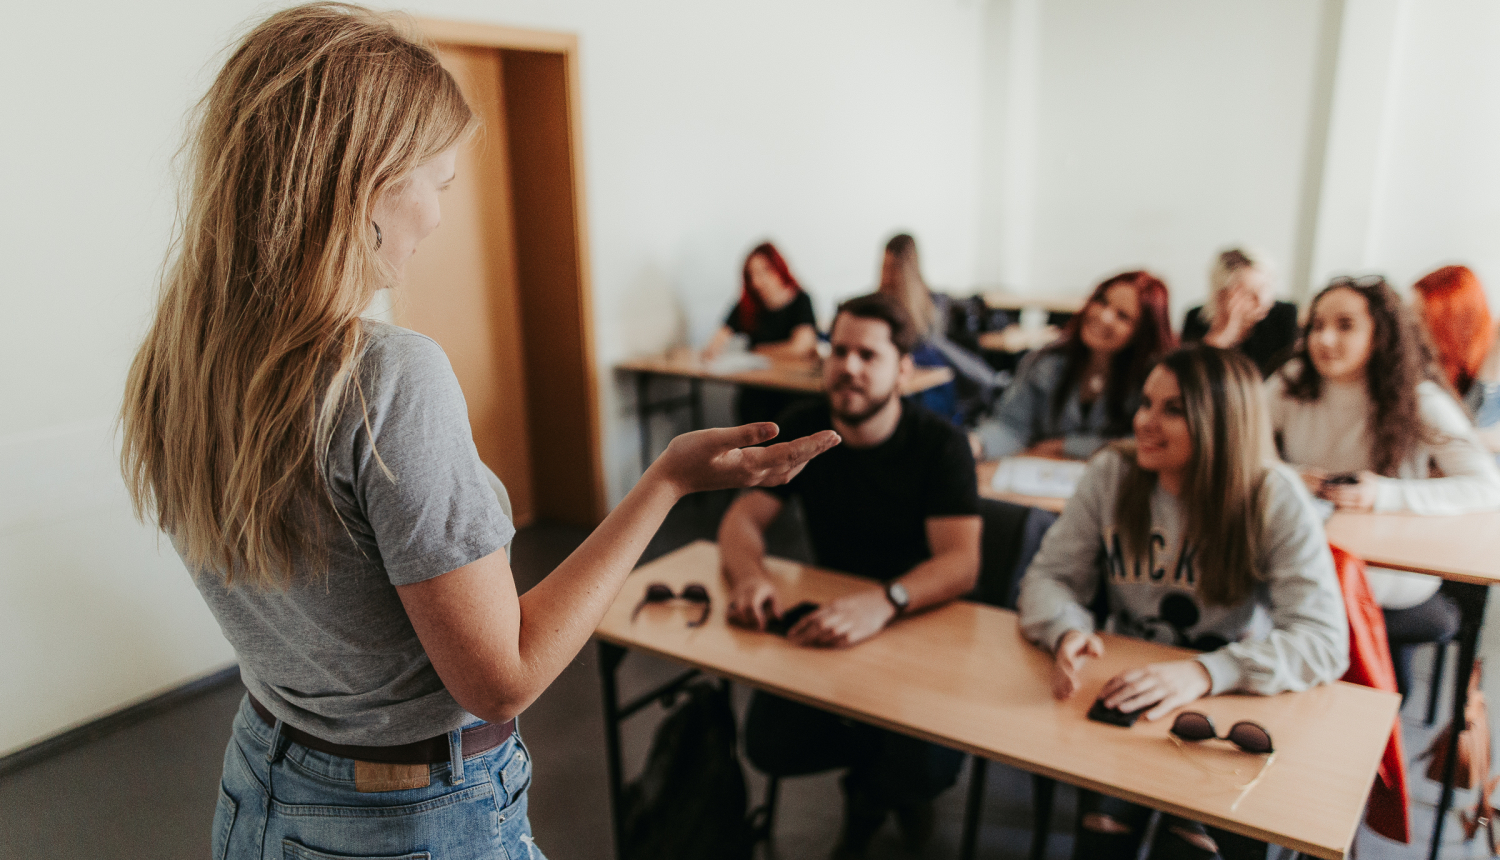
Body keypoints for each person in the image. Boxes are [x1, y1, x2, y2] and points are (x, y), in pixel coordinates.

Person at [117, 7, 838, 859]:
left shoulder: (177, 363)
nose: (438, 215)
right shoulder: (386, 377)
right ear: (369, 181)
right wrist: (666, 483)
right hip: (405, 823)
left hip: (262, 786)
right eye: (439, 182)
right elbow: (503, 679)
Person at [1018, 344, 1348, 860]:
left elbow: (1324, 641)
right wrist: (1066, 628)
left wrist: (1205, 672)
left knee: (1195, 844)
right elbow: (1047, 578)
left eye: (1173, 409)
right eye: (1146, 403)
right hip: (1126, 691)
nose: (1145, 422)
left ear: (1223, 423)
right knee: (1103, 832)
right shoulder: (1113, 473)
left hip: (1228, 698)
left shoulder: (1272, 496)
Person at [718, 292, 982, 859]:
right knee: (768, 742)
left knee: (925, 765)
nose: (850, 367)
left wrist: (885, 601)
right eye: (839, 351)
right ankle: (877, 778)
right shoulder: (806, 431)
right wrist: (749, 579)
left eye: (868, 354)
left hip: (920, 624)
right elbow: (741, 522)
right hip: (832, 623)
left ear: (903, 369)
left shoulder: (941, 446)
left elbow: (961, 563)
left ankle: (872, 797)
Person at [1266, 275, 1500, 695]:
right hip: (1304, 550)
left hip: (1383, 573)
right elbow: (1242, 449)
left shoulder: (1418, 398)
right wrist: (1293, 475)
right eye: (1316, 325)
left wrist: (1384, 493)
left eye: (1345, 325)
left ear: (1381, 333)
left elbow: (1487, 485)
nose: (1324, 338)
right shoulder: (1292, 381)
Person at [972, 270, 1176, 460]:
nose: (1104, 317)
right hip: (1040, 480)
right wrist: (976, 444)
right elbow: (1010, 426)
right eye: (1102, 302)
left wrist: (1065, 446)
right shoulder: (1046, 362)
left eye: (1122, 316)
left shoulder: (1154, 381)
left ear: (1143, 333)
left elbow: (1145, 441)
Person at [878, 233, 1000, 424]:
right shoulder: (919, 302)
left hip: (923, 371)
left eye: (891, 267)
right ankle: (991, 384)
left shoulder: (925, 303)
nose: (888, 273)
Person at [702, 242, 820, 424]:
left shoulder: (800, 300)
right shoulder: (748, 305)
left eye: (764, 271)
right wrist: (713, 350)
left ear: (779, 269)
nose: (758, 281)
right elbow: (716, 342)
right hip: (756, 391)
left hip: (790, 391)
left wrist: (757, 351)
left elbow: (800, 348)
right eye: (752, 275)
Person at [1412, 264, 1500, 441]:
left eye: (1423, 315)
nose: (1413, 326)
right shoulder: (1430, 360)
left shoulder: (1491, 351)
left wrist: (1488, 375)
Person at [1181, 248, 1299, 377]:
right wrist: (1224, 332)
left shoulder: (1284, 315)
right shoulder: (1196, 318)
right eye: (1248, 293)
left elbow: (1277, 376)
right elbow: (1192, 377)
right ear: (1222, 295)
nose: (1262, 300)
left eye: (1266, 288)